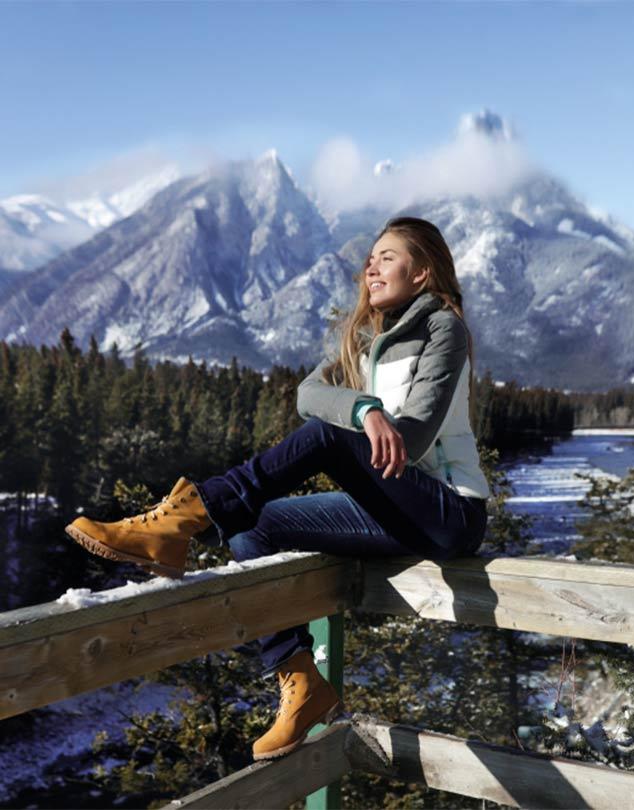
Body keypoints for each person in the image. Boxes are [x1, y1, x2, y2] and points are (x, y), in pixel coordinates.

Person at [65, 216, 491, 761]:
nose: (371, 264)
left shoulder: (444, 329)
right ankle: (300, 681)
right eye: (371, 256)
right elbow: (308, 393)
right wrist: (364, 409)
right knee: (253, 526)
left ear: (423, 271)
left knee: (327, 440)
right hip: (392, 510)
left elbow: (416, 433)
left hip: (448, 513)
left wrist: (371, 424)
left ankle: (183, 519)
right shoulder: (366, 340)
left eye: (387, 256)